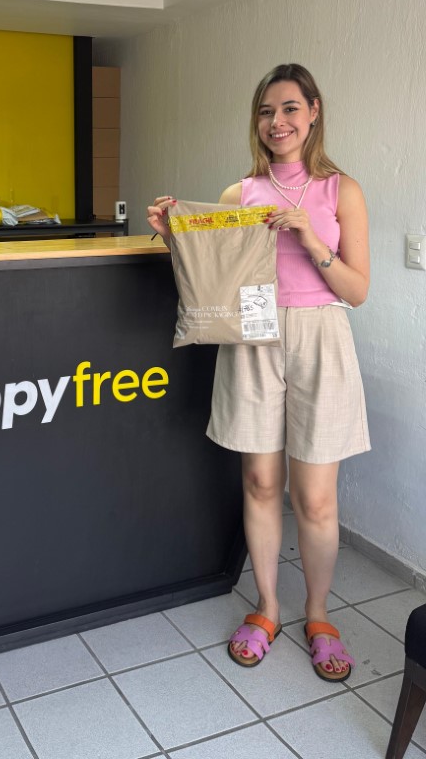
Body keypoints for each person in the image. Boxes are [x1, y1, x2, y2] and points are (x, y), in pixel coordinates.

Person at [147, 63, 370, 682]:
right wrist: (173, 237)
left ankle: (319, 615)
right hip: (252, 338)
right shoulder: (238, 194)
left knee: (315, 497)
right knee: (260, 483)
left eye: (290, 108)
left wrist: (311, 240)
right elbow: (212, 279)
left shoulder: (342, 191)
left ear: (314, 112)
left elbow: (357, 290)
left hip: (321, 336)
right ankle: (268, 607)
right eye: (267, 111)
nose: (278, 122)